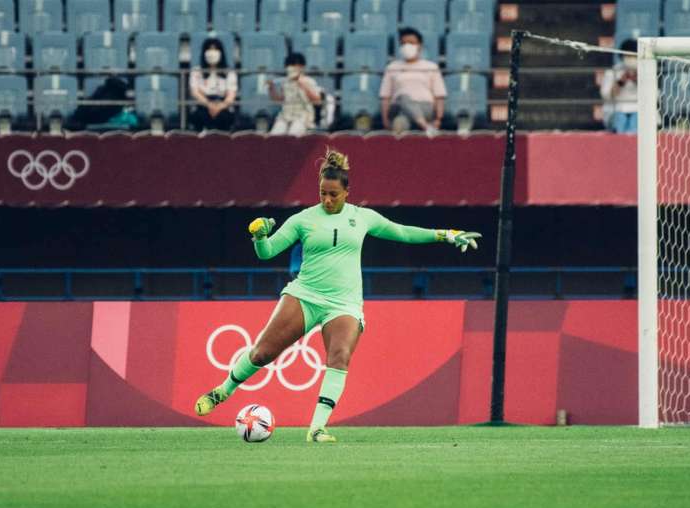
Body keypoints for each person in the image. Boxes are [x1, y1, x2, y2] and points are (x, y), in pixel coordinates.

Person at [195, 149, 482, 442]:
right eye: (322, 194)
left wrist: (447, 234)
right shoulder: (303, 220)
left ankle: (317, 428)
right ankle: (222, 391)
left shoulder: (363, 217)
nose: (327, 200)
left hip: (344, 303)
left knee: (339, 357)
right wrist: (259, 237)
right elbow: (267, 253)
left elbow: (404, 233)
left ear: (347, 192)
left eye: (333, 194)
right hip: (305, 294)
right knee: (262, 353)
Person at [380, 27, 447, 136]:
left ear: (419, 46)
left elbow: (439, 95)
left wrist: (438, 119)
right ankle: (425, 127)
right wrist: (385, 119)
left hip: (425, 107)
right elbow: (385, 96)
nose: (407, 46)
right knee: (403, 97)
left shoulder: (431, 67)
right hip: (399, 106)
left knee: (401, 121)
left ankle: (406, 126)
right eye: (404, 43)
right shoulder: (392, 67)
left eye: (411, 43)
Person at [189, 37, 237, 131]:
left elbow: (231, 95)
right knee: (199, 116)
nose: (212, 52)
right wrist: (209, 105)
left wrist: (220, 107)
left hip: (222, 105)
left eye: (215, 49)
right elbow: (195, 92)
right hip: (203, 105)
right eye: (209, 49)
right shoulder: (196, 71)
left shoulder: (229, 72)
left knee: (225, 117)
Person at [268, 53, 322, 136]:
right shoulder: (285, 83)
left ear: (302, 67)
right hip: (285, 116)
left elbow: (317, 100)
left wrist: (301, 83)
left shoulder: (309, 81)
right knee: (274, 136)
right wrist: (271, 88)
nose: (291, 68)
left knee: (293, 134)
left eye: (294, 65)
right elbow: (279, 99)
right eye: (289, 66)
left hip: (303, 116)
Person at [601, 39, 638, 134]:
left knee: (635, 128)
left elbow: (653, 96)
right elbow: (607, 96)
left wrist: (636, 80)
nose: (631, 58)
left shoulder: (646, 70)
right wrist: (621, 82)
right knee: (620, 125)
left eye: (633, 56)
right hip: (618, 109)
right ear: (622, 56)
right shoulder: (613, 71)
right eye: (628, 56)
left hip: (639, 109)